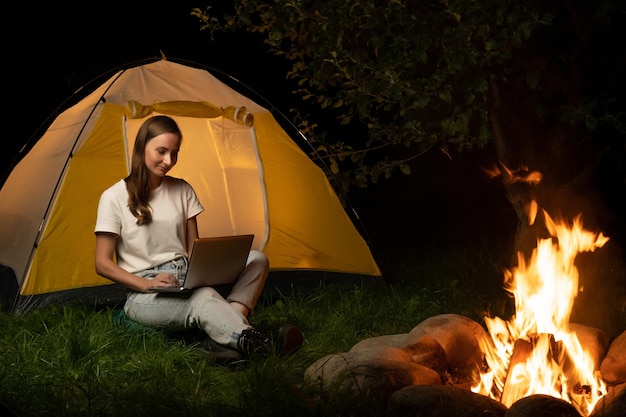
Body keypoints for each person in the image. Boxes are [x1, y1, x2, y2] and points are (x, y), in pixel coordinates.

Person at [94, 115, 302, 360]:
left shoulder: (182, 189)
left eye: (175, 153)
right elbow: (102, 263)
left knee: (257, 259)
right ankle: (257, 343)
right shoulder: (113, 197)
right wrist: (146, 284)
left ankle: (220, 335)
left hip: (186, 277)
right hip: (144, 293)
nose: (168, 161)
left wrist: (204, 274)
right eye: (161, 151)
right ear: (141, 147)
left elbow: (194, 248)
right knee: (202, 298)